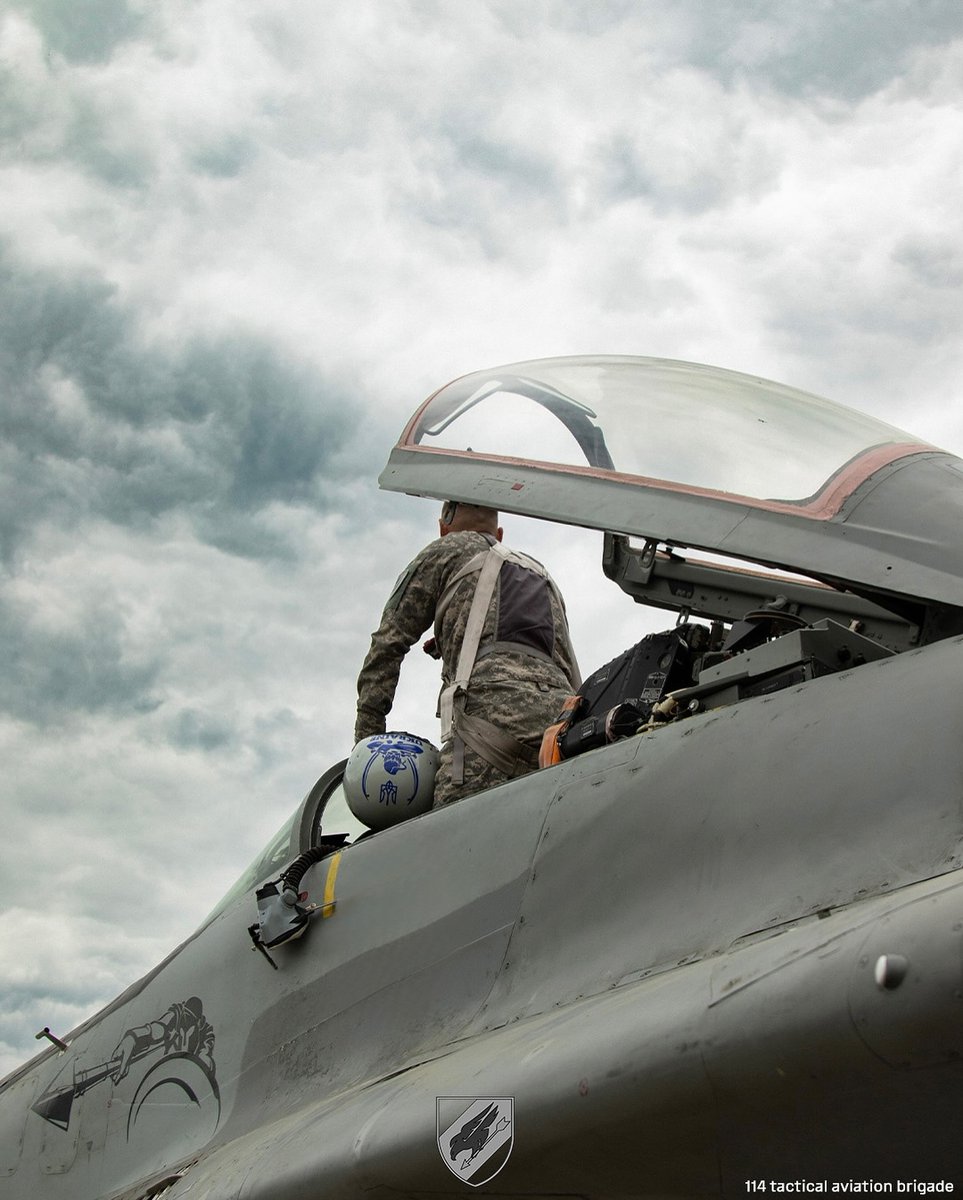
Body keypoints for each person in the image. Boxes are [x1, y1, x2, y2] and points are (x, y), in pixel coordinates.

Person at [355, 501, 580, 807]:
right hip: (561, 731)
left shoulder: (446, 548)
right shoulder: (539, 574)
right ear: (498, 533)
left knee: (450, 844)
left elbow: (388, 643)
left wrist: (366, 744)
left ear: (442, 528)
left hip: (486, 730)